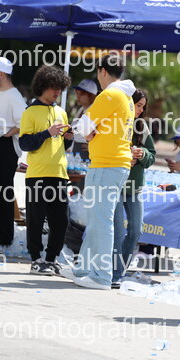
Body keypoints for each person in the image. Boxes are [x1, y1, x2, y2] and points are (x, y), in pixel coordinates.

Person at [62, 54, 135, 290]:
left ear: (102, 71)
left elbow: (83, 125)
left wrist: (88, 132)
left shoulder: (110, 94)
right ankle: (84, 269)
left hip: (107, 164)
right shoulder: (125, 96)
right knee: (97, 220)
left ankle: (101, 276)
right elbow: (88, 128)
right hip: (112, 163)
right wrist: (89, 131)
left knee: (101, 221)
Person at [19, 65, 73, 275]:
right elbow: (25, 144)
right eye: (53, 87)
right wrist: (46, 133)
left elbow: (63, 145)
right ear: (42, 86)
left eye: (60, 87)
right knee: (36, 219)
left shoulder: (61, 112)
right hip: (38, 174)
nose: (57, 91)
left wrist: (68, 139)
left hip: (59, 173)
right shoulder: (30, 112)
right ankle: (36, 259)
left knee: (60, 220)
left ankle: (51, 259)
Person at [111, 89, 157, 287]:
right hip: (115, 185)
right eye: (138, 105)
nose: (140, 110)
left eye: (143, 107)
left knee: (136, 231)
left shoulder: (141, 127)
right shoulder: (116, 123)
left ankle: (119, 271)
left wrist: (142, 154)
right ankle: (113, 275)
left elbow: (152, 156)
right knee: (117, 232)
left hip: (134, 188)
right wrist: (123, 158)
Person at [0, 57, 26, 250]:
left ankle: (5, 236)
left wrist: (8, 133)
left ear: (1, 73)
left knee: (3, 190)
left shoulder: (14, 96)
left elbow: (25, 122)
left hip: (5, 145)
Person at [71, 79, 98, 160]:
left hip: (87, 153)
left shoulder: (95, 111)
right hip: (77, 150)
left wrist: (93, 146)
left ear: (91, 95)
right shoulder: (81, 109)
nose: (78, 96)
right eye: (77, 92)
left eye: (82, 93)